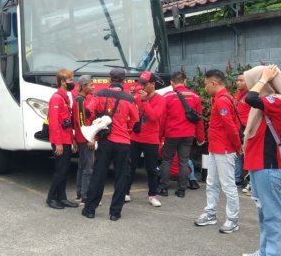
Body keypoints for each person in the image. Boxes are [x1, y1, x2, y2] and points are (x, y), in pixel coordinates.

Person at [241, 64, 281, 256]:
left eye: (252, 80)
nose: (249, 84)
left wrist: (264, 78)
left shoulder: (276, 100)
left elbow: (251, 98)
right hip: (258, 164)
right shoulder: (266, 103)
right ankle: (265, 251)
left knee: (273, 212)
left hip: (268, 165)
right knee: (263, 211)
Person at [82, 67, 139, 222]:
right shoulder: (130, 99)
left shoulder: (99, 94)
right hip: (123, 143)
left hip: (106, 142)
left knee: (98, 175)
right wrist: (127, 131)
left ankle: (90, 210)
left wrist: (97, 122)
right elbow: (136, 122)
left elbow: (87, 111)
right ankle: (115, 213)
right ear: (124, 81)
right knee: (121, 177)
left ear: (109, 79)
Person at [194, 69, 242, 233]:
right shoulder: (222, 98)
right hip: (216, 148)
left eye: (206, 84)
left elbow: (230, 128)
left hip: (224, 149)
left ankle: (232, 219)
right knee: (212, 182)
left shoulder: (221, 101)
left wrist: (237, 147)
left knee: (228, 185)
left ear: (214, 83)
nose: (205, 88)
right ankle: (210, 213)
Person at [159, 70, 204, 198]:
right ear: (185, 81)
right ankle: (181, 190)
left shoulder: (166, 96)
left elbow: (162, 119)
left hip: (171, 133)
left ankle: (163, 188)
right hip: (188, 134)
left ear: (172, 82)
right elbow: (198, 119)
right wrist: (201, 137)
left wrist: (159, 136)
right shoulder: (195, 97)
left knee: (167, 160)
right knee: (183, 162)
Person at [125, 71, 166, 207]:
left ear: (153, 84)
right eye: (140, 83)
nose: (141, 86)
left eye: (144, 84)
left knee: (151, 169)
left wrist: (145, 101)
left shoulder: (160, 99)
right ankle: (125, 192)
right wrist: (130, 98)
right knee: (130, 166)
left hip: (151, 139)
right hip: (136, 137)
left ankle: (152, 195)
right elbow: (130, 112)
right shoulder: (138, 97)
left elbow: (154, 117)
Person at [46, 68, 78, 210]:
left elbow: (67, 123)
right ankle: (51, 198)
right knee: (60, 171)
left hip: (66, 139)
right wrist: (58, 143)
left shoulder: (65, 97)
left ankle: (62, 198)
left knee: (65, 171)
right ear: (63, 82)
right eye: (70, 80)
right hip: (59, 140)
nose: (73, 82)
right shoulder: (56, 98)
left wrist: (73, 140)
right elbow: (54, 123)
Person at [73, 74, 95, 205]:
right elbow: (82, 122)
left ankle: (80, 194)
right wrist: (90, 139)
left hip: (81, 139)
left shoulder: (80, 99)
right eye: (91, 85)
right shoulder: (80, 100)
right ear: (83, 86)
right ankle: (85, 197)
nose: (93, 87)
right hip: (85, 139)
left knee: (82, 167)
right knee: (88, 168)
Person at [233, 73, 251, 189]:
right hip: (237, 129)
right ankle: (237, 180)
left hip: (247, 130)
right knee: (238, 154)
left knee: (248, 155)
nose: (238, 82)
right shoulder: (237, 95)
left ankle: (250, 182)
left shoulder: (251, 96)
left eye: (241, 81)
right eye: (237, 80)